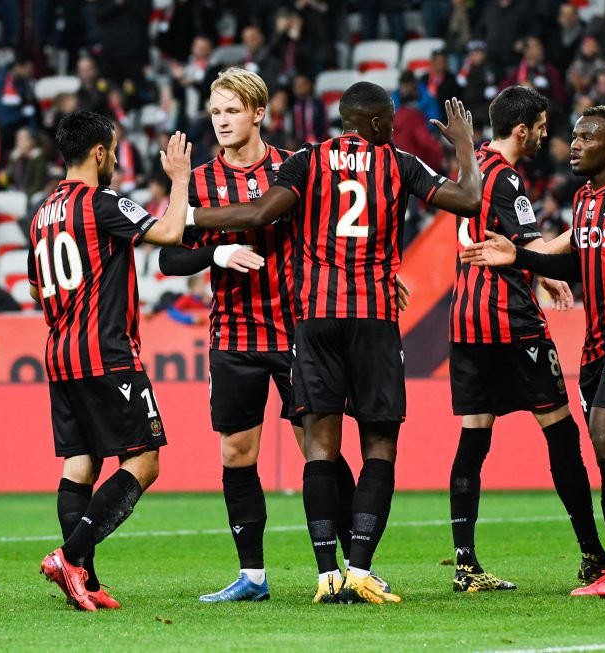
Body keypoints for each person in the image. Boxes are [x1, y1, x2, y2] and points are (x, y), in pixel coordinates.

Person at [189, 83, 484, 604]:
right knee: (378, 446)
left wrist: (188, 218)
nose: (391, 130)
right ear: (373, 124)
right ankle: (361, 567)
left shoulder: (307, 159)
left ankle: (326, 573)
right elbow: (467, 200)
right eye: (388, 122)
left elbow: (261, 214)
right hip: (372, 316)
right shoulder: (398, 161)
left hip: (315, 319)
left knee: (320, 447)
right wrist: (464, 146)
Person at [158, 68, 392, 603]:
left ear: (257, 113)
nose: (221, 121)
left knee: (320, 451)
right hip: (233, 337)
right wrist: (214, 252)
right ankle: (253, 577)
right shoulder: (196, 181)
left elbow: (341, 229)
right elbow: (170, 254)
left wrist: (381, 274)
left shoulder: (296, 168)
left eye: (231, 110)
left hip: (297, 331)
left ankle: (356, 567)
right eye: (215, 111)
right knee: (237, 452)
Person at [462, 105, 605, 597]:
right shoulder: (585, 200)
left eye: (586, 137)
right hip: (596, 345)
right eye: (574, 135)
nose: (573, 144)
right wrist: (520, 257)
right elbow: (581, 269)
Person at [446, 86, 605, 594]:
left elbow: (505, 246)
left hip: (466, 320)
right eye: (541, 126)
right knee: (560, 433)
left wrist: (539, 272)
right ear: (523, 129)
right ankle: (591, 554)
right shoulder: (508, 180)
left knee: (474, 439)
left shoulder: (470, 173)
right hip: (511, 322)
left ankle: (465, 565)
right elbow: (535, 246)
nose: (546, 134)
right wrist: (588, 224)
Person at [33, 111, 192, 612]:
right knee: (144, 461)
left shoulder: (41, 214)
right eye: (114, 148)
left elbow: (38, 286)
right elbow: (168, 232)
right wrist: (181, 180)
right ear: (99, 151)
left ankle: (86, 580)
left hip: (60, 354)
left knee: (80, 464)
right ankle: (70, 557)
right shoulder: (101, 202)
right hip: (107, 353)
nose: (116, 157)